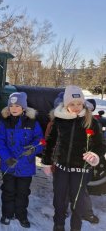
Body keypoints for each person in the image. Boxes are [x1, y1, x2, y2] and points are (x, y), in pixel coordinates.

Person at [42, 85, 105, 231]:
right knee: (59, 199)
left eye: (79, 103)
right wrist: (46, 162)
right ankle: (58, 226)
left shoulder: (91, 121)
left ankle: (75, 227)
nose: (76, 107)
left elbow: (100, 145)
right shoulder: (59, 120)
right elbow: (50, 142)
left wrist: (95, 155)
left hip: (81, 169)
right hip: (61, 168)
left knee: (77, 202)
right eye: (72, 104)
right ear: (65, 104)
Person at [0, 92, 44, 228]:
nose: (14, 108)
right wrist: (6, 158)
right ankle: (7, 214)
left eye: (18, 105)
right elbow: (0, 141)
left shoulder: (32, 122)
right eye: (11, 105)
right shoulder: (4, 122)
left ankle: (21, 215)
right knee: (8, 191)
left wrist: (33, 149)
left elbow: (40, 140)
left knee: (23, 193)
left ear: (23, 107)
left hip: (26, 166)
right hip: (9, 165)